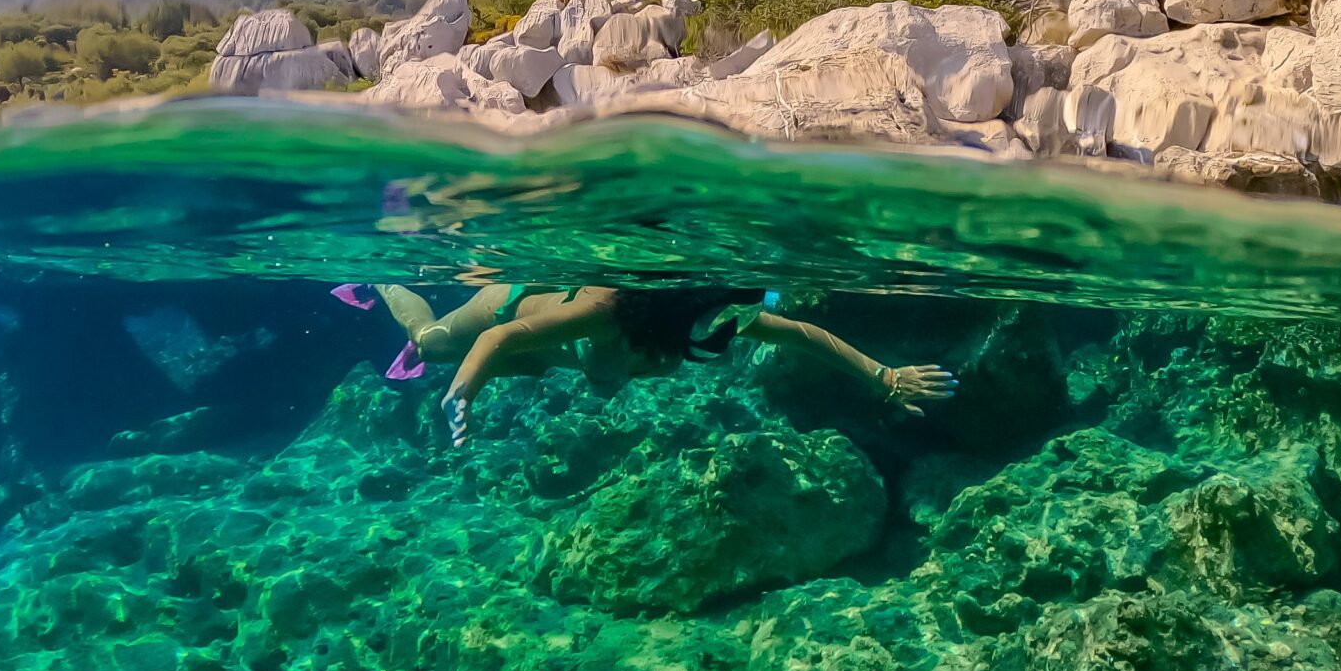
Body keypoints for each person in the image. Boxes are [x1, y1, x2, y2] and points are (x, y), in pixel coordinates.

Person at [374, 282, 956, 445]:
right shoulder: (610, 309)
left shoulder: (708, 313)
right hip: (500, 309)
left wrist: (883, 376)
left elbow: (801, 334)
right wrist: (464, 391)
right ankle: (382, 277)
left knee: (542, 369)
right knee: (430, 342)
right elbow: (499, 338)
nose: (726, 328)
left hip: (553, 362)